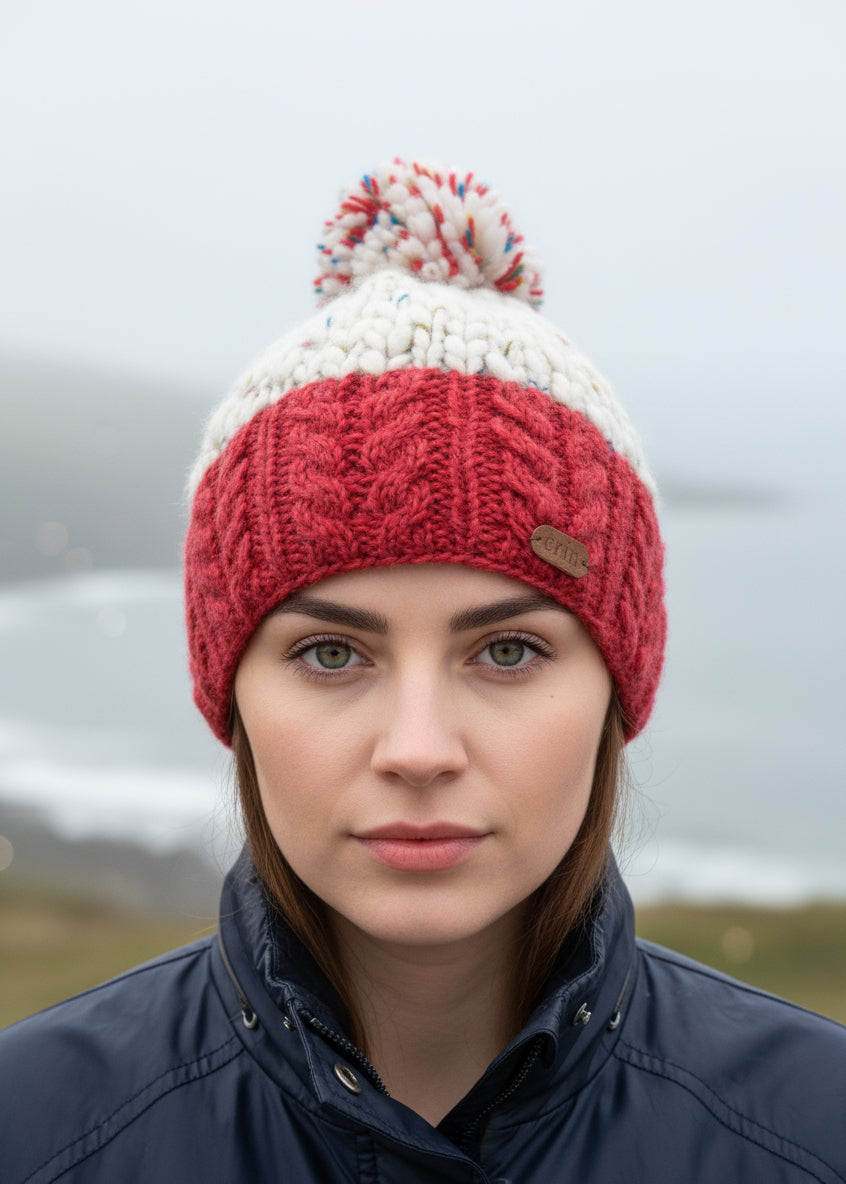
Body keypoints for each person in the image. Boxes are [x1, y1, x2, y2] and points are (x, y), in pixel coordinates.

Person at [2, 158, 844, 1184]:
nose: (417, 748)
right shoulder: (35, 1129)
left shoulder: (814, 1130)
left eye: (507, 649)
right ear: (231, 694)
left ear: (618, 689)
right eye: (329, 652)